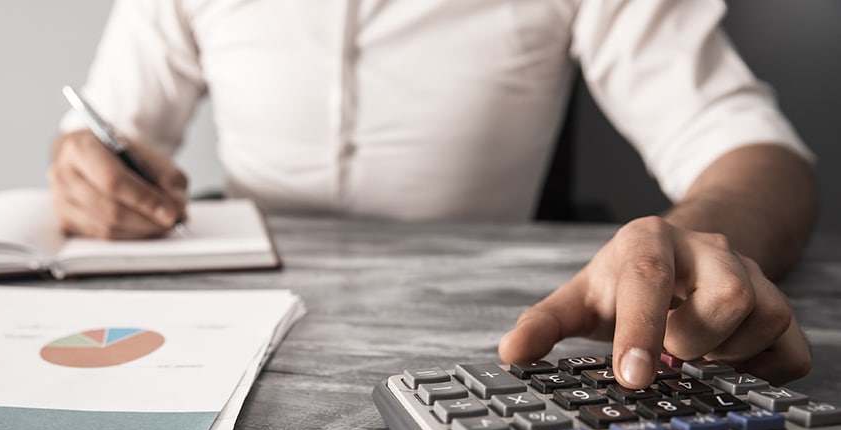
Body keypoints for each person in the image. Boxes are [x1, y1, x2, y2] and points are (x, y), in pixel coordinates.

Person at [48, 0, 818, 390]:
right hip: (227, 335)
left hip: (480, 356)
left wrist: (691, 244)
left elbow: (755, 153)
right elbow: (102, 137)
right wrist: (83, 170)